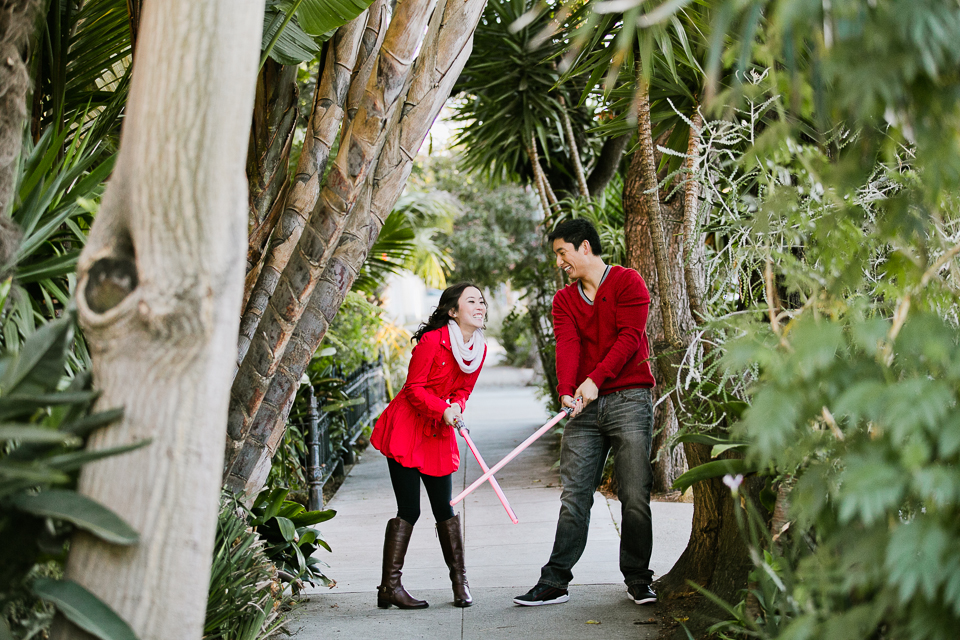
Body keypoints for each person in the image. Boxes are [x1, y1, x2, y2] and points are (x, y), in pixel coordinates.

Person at [514, 218, 657, 607]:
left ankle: (639, 580)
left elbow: (631, 338)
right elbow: (567, 345)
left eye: (562, 252)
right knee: (574, 496)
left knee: (633, 494)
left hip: (628, 399)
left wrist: (595, 379)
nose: (559, 261)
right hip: (583, 409)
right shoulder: (564, 301)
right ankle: (555, 581)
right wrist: (565, 391)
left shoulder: (629, 282)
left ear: (585, 248)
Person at [370, 282, 488, 610]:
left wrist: (458, 406)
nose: (480, 306)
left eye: (482, 301)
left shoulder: (478, 348)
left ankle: (459, 582)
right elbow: (413, 389)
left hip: (438, 433)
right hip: (407, 429)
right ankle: (389, 587)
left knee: (445, 509)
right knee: (410, 509)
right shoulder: (432, 341)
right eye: (472, 301)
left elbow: (464, 389)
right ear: (453, 311)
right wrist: (443, 408)